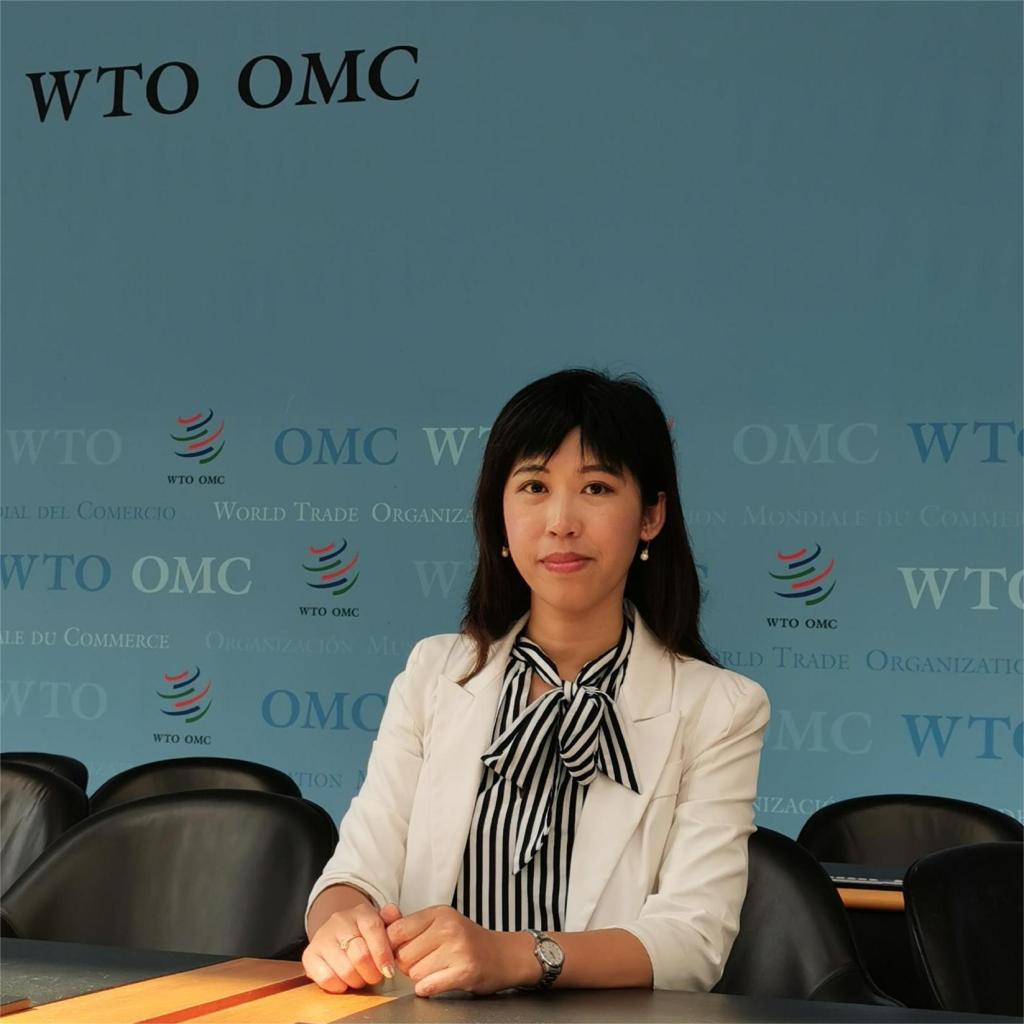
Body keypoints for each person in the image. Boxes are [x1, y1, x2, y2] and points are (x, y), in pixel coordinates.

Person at [303, 369, 770, 997]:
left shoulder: (721, 708)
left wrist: (515, 956)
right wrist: (340, 924)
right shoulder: (434, 674)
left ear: (651, 516)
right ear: (499, 515)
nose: (560, 521)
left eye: (596, 487)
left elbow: (692, 942)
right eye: (533, 486)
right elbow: (357, 871)